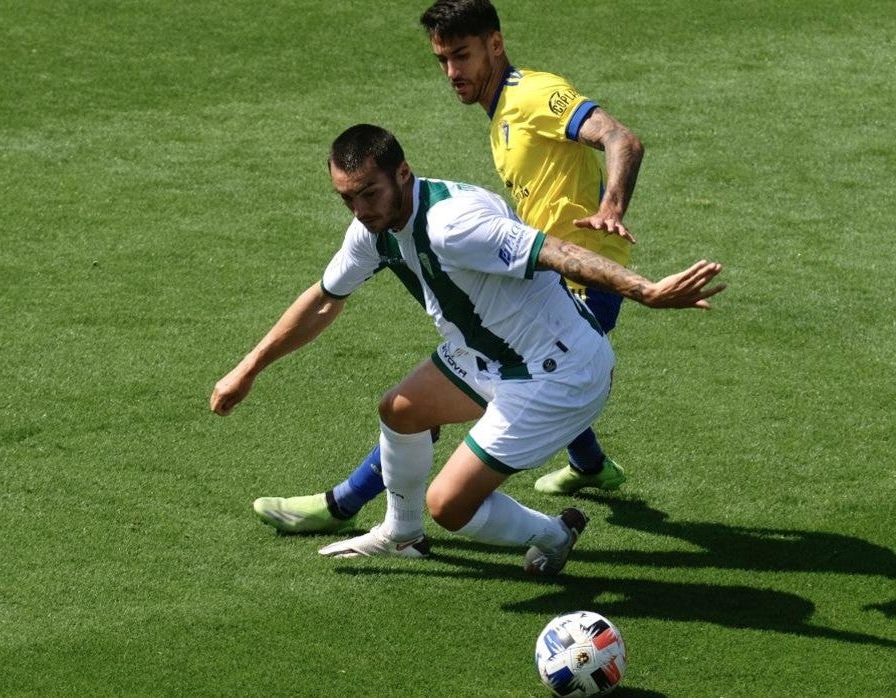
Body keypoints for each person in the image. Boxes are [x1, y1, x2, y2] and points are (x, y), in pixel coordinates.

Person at [212, 125, 723, 574]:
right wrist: (249, 368)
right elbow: (325, 300)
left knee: (450, 507)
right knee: (400, 411)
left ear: (403, 174)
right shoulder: (374, 229)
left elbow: (558, 252)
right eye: (348, 199)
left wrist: (645, 291)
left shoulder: (454, 225)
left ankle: (555, 534)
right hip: (491, 356)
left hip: (558, 372)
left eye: (369, 194)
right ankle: (401, 535)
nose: (360, 211)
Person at [254, 0, 650, 534]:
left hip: (582, 276)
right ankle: (590, 463)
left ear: (495, 44)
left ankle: (344, 503)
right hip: (540, 271)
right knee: (517, 367)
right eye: (441, 59)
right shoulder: (501, 114)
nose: (451, 72)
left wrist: (611, 209)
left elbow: (621, 138)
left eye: (461, 55)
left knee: (513, 371)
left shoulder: (533, 95)